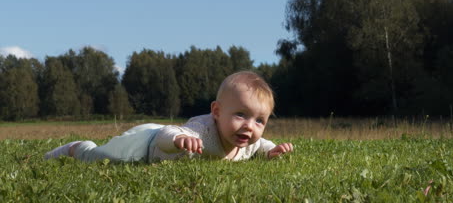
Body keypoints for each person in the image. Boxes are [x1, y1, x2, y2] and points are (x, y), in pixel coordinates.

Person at [44, 71, 293, 162]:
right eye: (240, 115)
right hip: (146, 143)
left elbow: (261, 145)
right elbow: (168, 133)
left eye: (259, 120)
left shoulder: (247, 141)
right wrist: (178, 141)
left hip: (157, 139)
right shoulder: (202, 131)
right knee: (101, 157)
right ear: (216, 112)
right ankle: (75, 148)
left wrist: (273, 152)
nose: (250, 127)